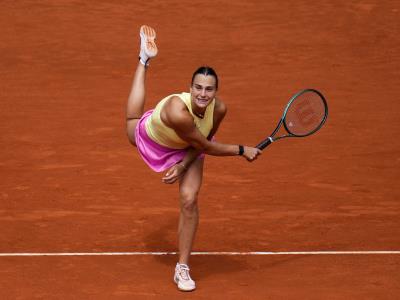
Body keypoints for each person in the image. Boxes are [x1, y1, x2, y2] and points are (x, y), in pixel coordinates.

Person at [126, 25, 262, 292]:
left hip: (189, 146)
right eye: (198, 88)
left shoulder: (219, 109)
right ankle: (143, 60)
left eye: (209, 89)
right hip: (153, 138)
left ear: (216, 91)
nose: (203, 94)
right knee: (131, 120)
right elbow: (206, 145)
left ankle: (182, 267)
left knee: (189, 199)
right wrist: (242, 150)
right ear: (189, 88)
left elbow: (203, 143)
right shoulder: (179, 111)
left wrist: (184, 164)